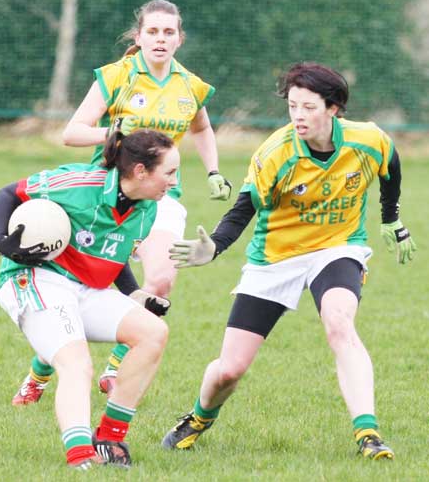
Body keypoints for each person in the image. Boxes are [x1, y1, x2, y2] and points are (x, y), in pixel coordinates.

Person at [161, 62, 417, 460]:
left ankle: (368, 433)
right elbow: (243, 210)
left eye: (308, 107)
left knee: (339, 323)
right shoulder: (276, 152)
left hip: (338, 246)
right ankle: (198, 417)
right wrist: (214, 246)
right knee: (230, 369)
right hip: (275, 257)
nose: (298, 115)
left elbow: (392, 168)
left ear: (334, 109)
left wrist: (392, 219)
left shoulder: (368, 140)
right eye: (292, 106)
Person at [11, 0, 232, 405]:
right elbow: (72, 132)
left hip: (160, 196)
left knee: (162, 280)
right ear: (140, 36)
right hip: (106, 197)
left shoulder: (190, 86)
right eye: (153, 31)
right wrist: (113, 133)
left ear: (179, 39)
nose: (161, 39)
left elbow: (202, 128)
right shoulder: (117, 77)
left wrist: (214, 170)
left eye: (169, 32)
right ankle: (40, 370)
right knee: (80, 289)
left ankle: (115, 368)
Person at [0, 129, 179, 469]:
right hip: (34, 278)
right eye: (169, 172)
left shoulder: (147, 209)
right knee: (77, 364)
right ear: (140, 171)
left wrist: (135, 294)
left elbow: (113, 253)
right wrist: (0, 240)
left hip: (83, 288)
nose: (175, 181)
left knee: (153, 332)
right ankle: (80, 458)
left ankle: (109, 438)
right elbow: (8, 193)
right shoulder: (81, 184)